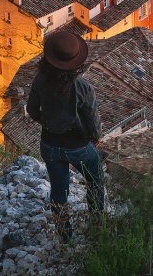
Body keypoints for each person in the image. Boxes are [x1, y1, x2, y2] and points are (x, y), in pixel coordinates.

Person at [26, 31, 104, 242]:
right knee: (95, 182)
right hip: (78, 146)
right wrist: (95, 138)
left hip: (50, 144)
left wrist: (48, 122)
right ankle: (97, 226)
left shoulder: (40, 80)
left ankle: (64, 235)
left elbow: (32, 110)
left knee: (59, 190)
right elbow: (92, 119)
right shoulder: (83, 87)